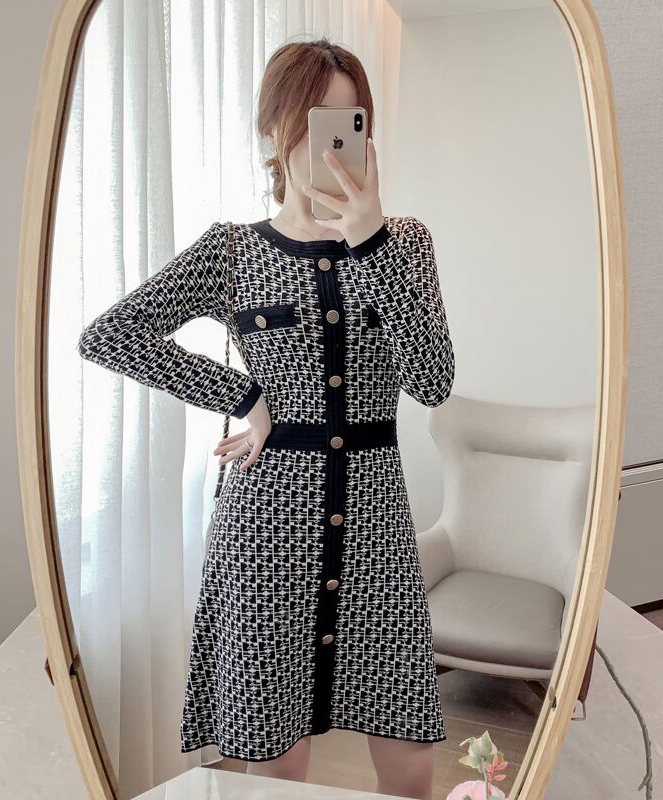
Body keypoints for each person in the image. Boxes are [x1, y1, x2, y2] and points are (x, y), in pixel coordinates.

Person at [77, 36, 455, 800]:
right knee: (278, 767)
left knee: (412, 764)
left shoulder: (406, 243)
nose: (334, 139)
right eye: (317, 119)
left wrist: (371, 242)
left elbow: (433, 381)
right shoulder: (233, 252)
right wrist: (243, 397)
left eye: (351, 119)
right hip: (265, 528)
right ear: (276, 130)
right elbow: (109, 335)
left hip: (378, 526)